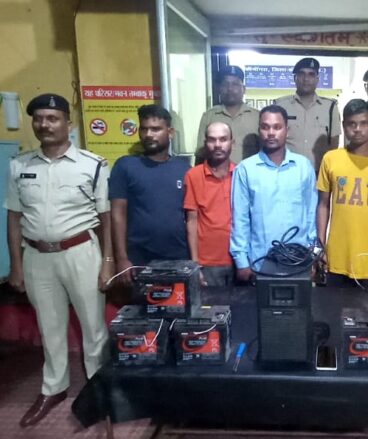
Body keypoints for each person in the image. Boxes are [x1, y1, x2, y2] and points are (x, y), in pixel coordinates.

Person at [6, 93, 112, 427]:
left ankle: (97, 390)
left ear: (68, 123)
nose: (44, 124)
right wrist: (16, 264)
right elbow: (13, 218)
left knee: (94, 328)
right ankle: (53, 388)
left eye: (52, 118)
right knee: (49, 327)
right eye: (38, 119)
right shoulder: (20, 166)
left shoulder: (92, 164)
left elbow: (106, 217)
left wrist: (107, 261)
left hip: (81, 253)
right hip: (38, 257)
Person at [230, 105, 318, 282]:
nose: (271, 133)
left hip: (298, 259)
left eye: (277, 127)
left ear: (287, 130)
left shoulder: (303, 167)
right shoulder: (246, 169)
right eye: (265, 127)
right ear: (259, 130)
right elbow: (240, 219)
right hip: (259, 262)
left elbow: (311, 215)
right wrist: (241, 262)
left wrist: (313, 255)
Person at [316, 99, 368, 288]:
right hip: (337, 257)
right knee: (333, 306)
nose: (358, 129)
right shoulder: (331, 159)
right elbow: (323, 206)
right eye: (352, 124)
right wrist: (320, 247)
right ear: (344, 126)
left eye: (364, 123)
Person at [109, 104, 191, 286]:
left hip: (178, 257)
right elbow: (117, 214)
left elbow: (191, 217)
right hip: (138, 259)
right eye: (144, 129)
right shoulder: (125, 166)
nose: (148, 134)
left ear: (170, 132)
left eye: (156, 129)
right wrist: (121, 258)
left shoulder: (184, 168)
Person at [184, 122, 236, 287]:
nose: (218, 145)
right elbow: (192, 221)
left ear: (232, 143)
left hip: (240, 260)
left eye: (223, 139)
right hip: (207, 263)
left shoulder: (241, 173)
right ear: (206, 143)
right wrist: (195, 265)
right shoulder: (193, 175)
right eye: (212, 140)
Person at [274, 57, 341, 168]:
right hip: (287, 171)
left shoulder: (330, 107)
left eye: (311, 74)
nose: (306, 79)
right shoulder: (280, 106)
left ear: (317, 79)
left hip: (319, 173)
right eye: (301, 74)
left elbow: (334, 143)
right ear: (295, 78)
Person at [196, 66, 260, 164]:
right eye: (225, 84)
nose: (230, 89)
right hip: (216, 173)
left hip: (250, 173)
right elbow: (200, 154)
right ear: (219, 89)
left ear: (243, 89)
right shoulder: (209, 116)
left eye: (235, 84)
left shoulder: (257, 117)